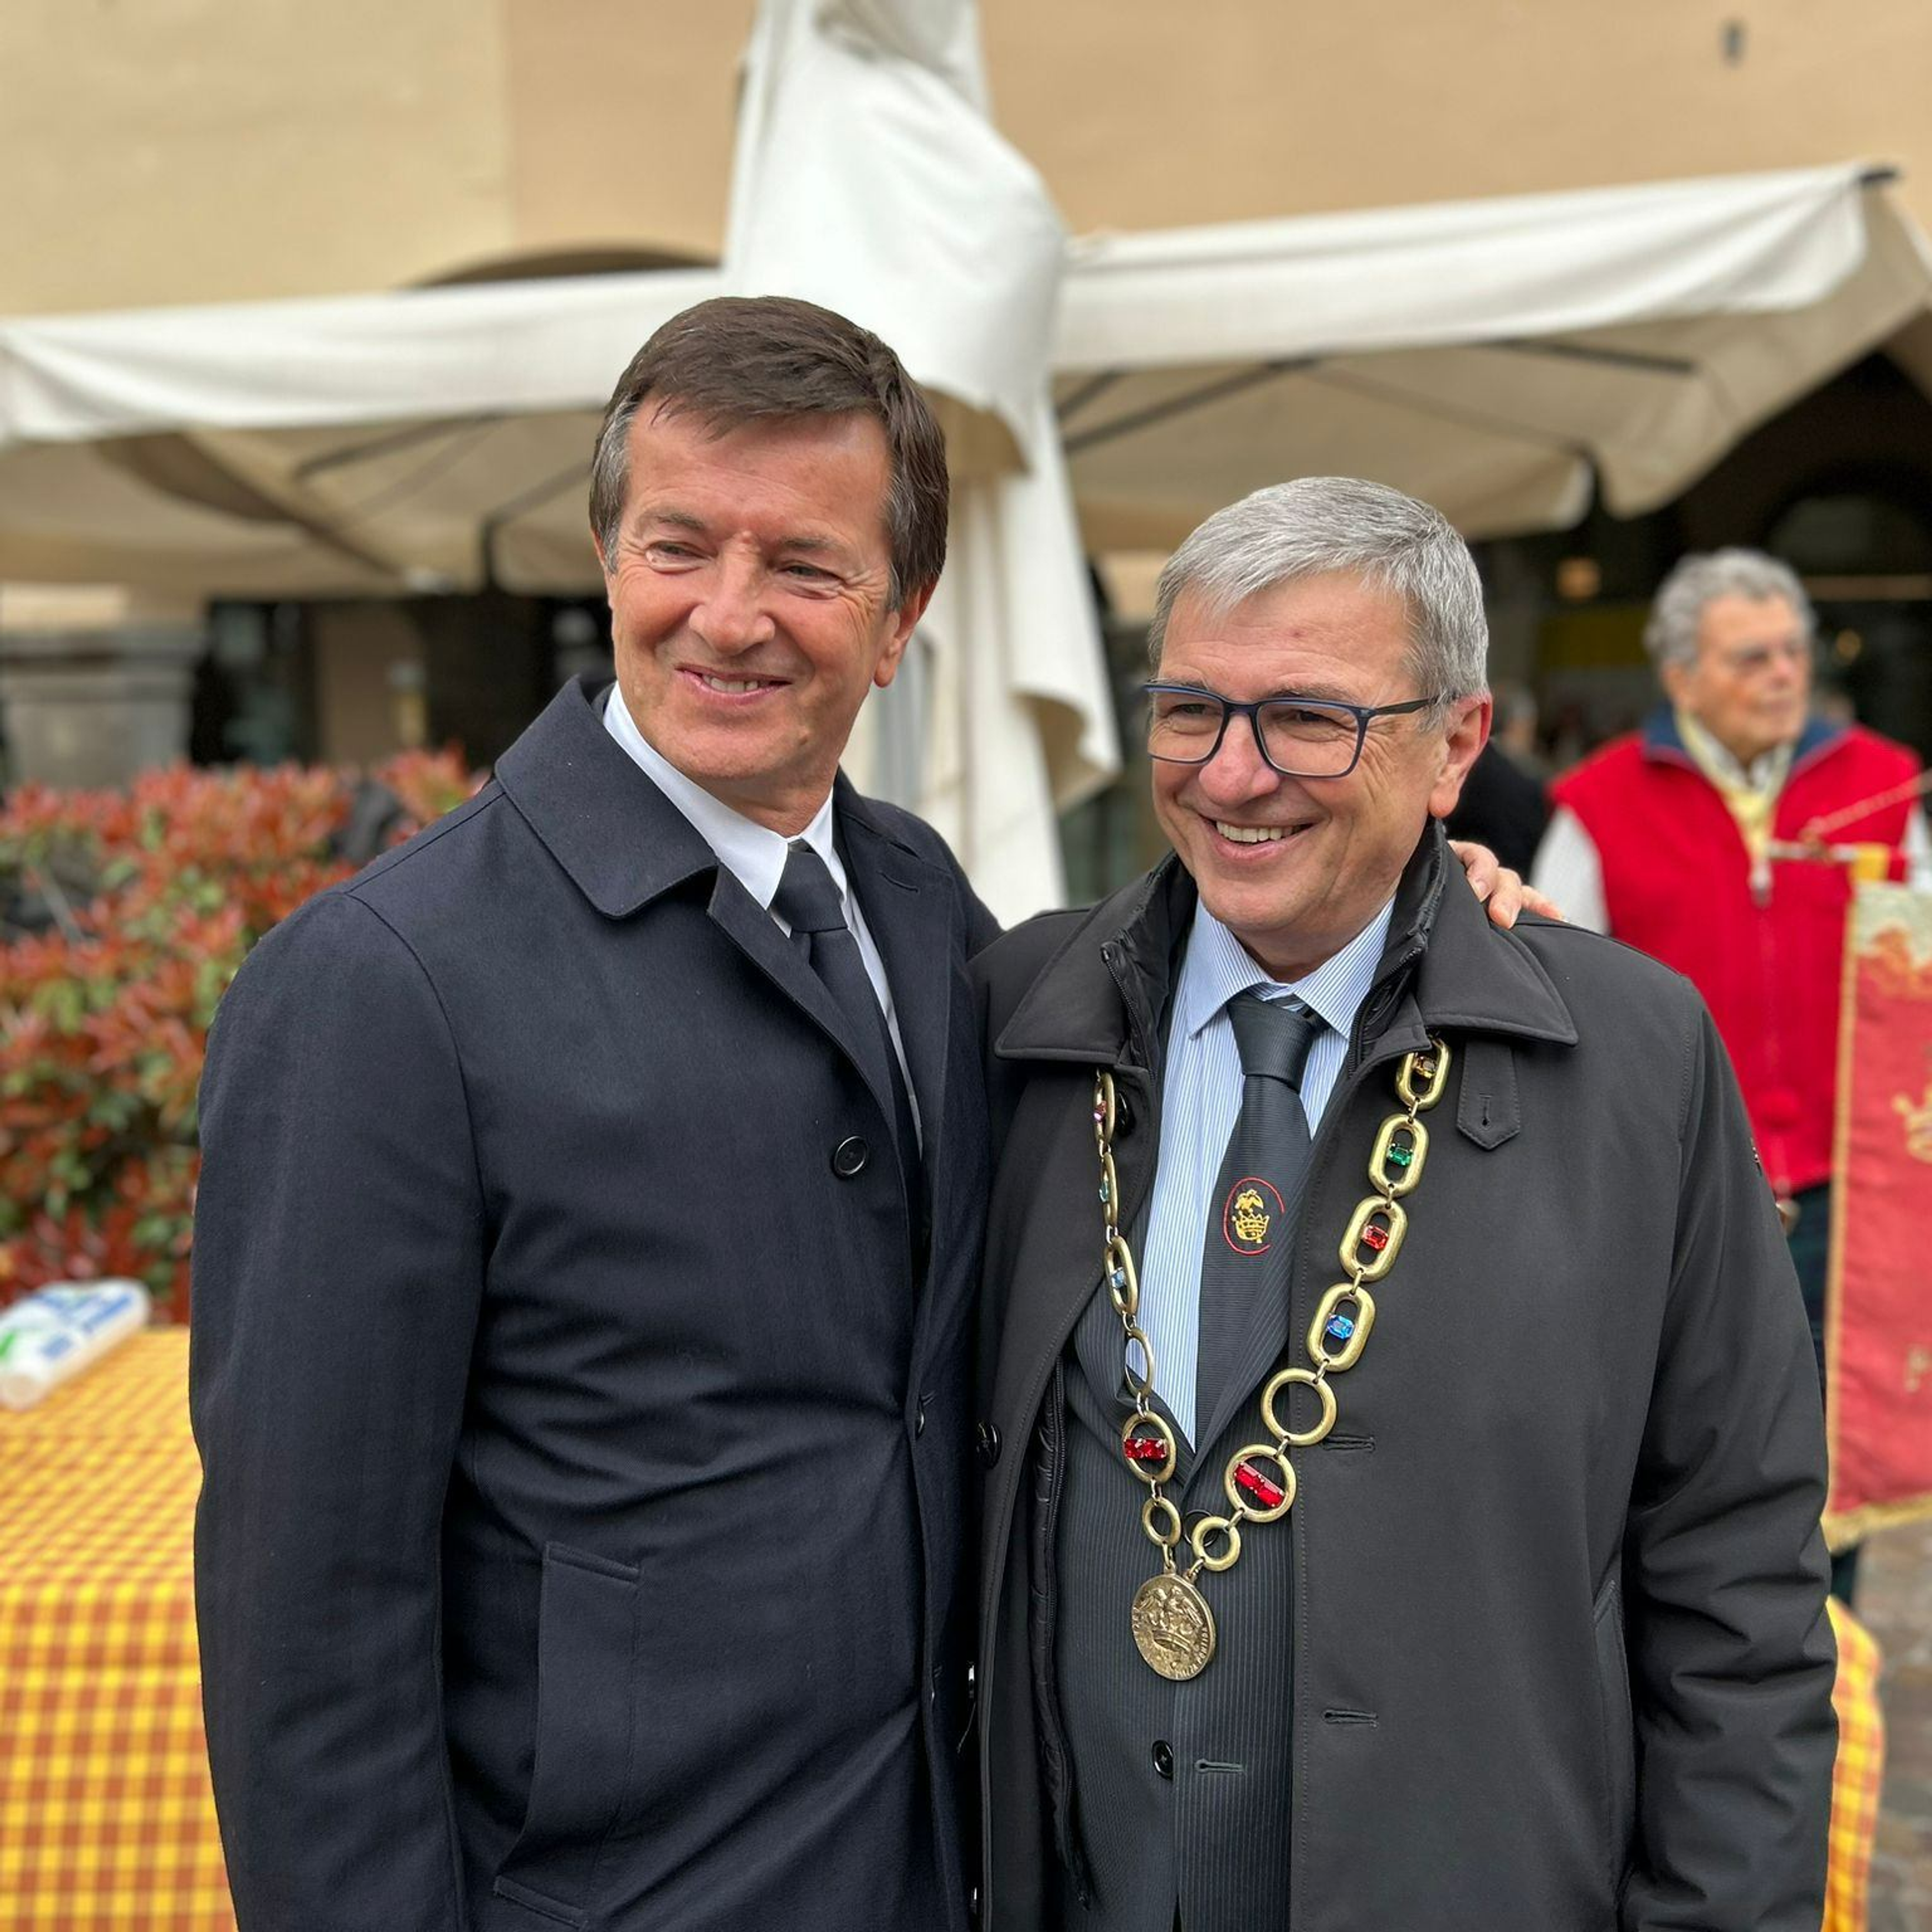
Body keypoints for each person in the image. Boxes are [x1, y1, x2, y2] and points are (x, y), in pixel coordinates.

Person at [191, 297, 1537, 1932]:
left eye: (807, 569)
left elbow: (1192, 978)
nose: (730, 616)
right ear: (609, 561)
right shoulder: (379, 984)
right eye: (680, 546)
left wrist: (1402, 904)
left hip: (944, 1870)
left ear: (901, 618)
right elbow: (308, 1627)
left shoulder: (916, 897)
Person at [972, 480, 1835, 1931]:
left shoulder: (1635, 1059)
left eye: (1310, 718)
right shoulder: (1009, 1018)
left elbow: (1737, 1580)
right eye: (1191, 709)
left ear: (1458, 744)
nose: (1234, 775)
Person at [1532, 549, 1929, 1595]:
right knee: (1672, 1446)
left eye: (1794, 651)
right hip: (1672, 1188)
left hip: (1849, 1195)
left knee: (1831, 1466)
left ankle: (1825, 1698)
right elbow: (1555, 993)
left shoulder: (1885, 786)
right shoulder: (1597, 804)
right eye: (1752, 657)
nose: (1784, 674)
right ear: (1682, 676)